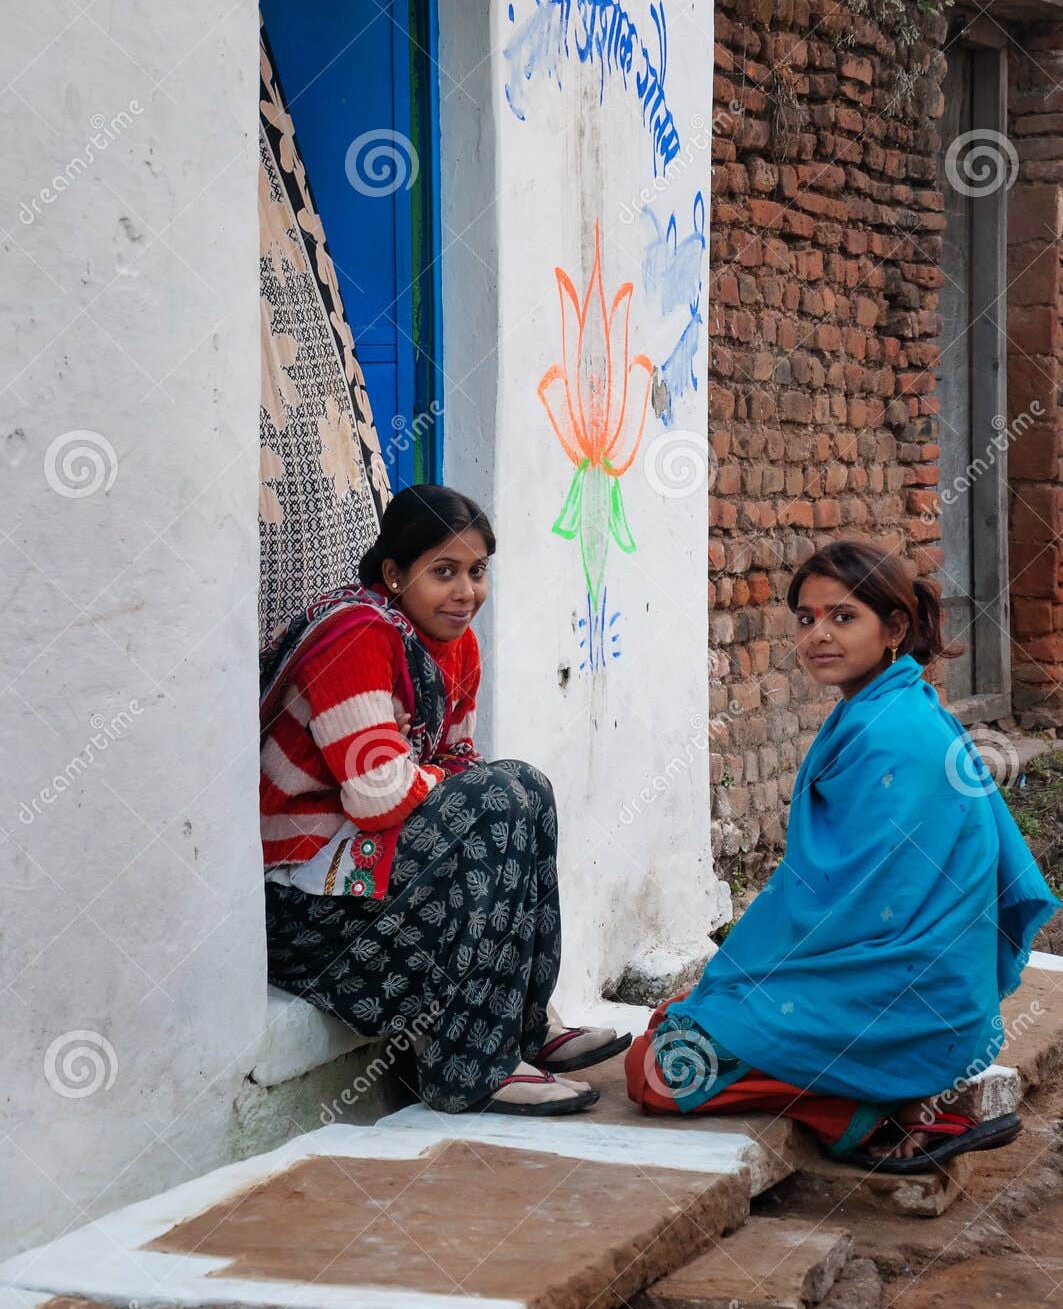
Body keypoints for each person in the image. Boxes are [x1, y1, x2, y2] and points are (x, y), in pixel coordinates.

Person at [626, 540, 1060, 1173]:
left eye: (843, 616)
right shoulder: (890, 708)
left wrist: (743, 979)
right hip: (919, 993)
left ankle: (861, 1119)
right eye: (806, 618)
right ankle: (892, 1105)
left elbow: (854, 908)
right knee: (688, 1013)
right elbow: (838, 895)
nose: (818, 635)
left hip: (905, 1002)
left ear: (895, 629)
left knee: (659, 1071)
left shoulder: (892, 734)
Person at [260, 484, 630, 1116]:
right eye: (443, 572)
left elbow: (445, 764)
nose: (466, 593)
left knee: (525, 789)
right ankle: (471, 1068)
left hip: (365, 870)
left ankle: (522, 1028)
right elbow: (378, 795)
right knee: (496, 797)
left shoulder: (454, 644)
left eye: (477, 572)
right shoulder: (355, 638)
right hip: (301, 907)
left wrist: (417, 773)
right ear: (394, 574)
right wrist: (422, 776)